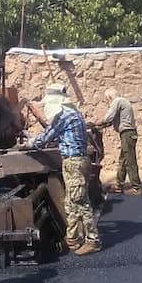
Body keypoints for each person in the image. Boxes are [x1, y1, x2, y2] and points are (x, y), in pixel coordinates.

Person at [26, 86, 101, 256]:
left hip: (73, 162)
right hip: (77, 161)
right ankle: (73, 238)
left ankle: (93, 241)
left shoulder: (64, 116)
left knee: (80, 202)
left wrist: (31, 143)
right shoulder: (73, 113)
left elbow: (48, 135)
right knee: (71, 201)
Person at [96, 89, 142, 195]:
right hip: (128, 133)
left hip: (127, 133)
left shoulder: (117, 101)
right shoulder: (123, 101)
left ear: (109, 97)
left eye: (106, 100)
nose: (108, 103)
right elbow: (112, 120)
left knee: (130, 160)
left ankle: (136, 187)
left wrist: (97, 124)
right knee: (123, 160)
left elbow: (109, 117)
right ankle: (119, 185)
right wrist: (101, 125)